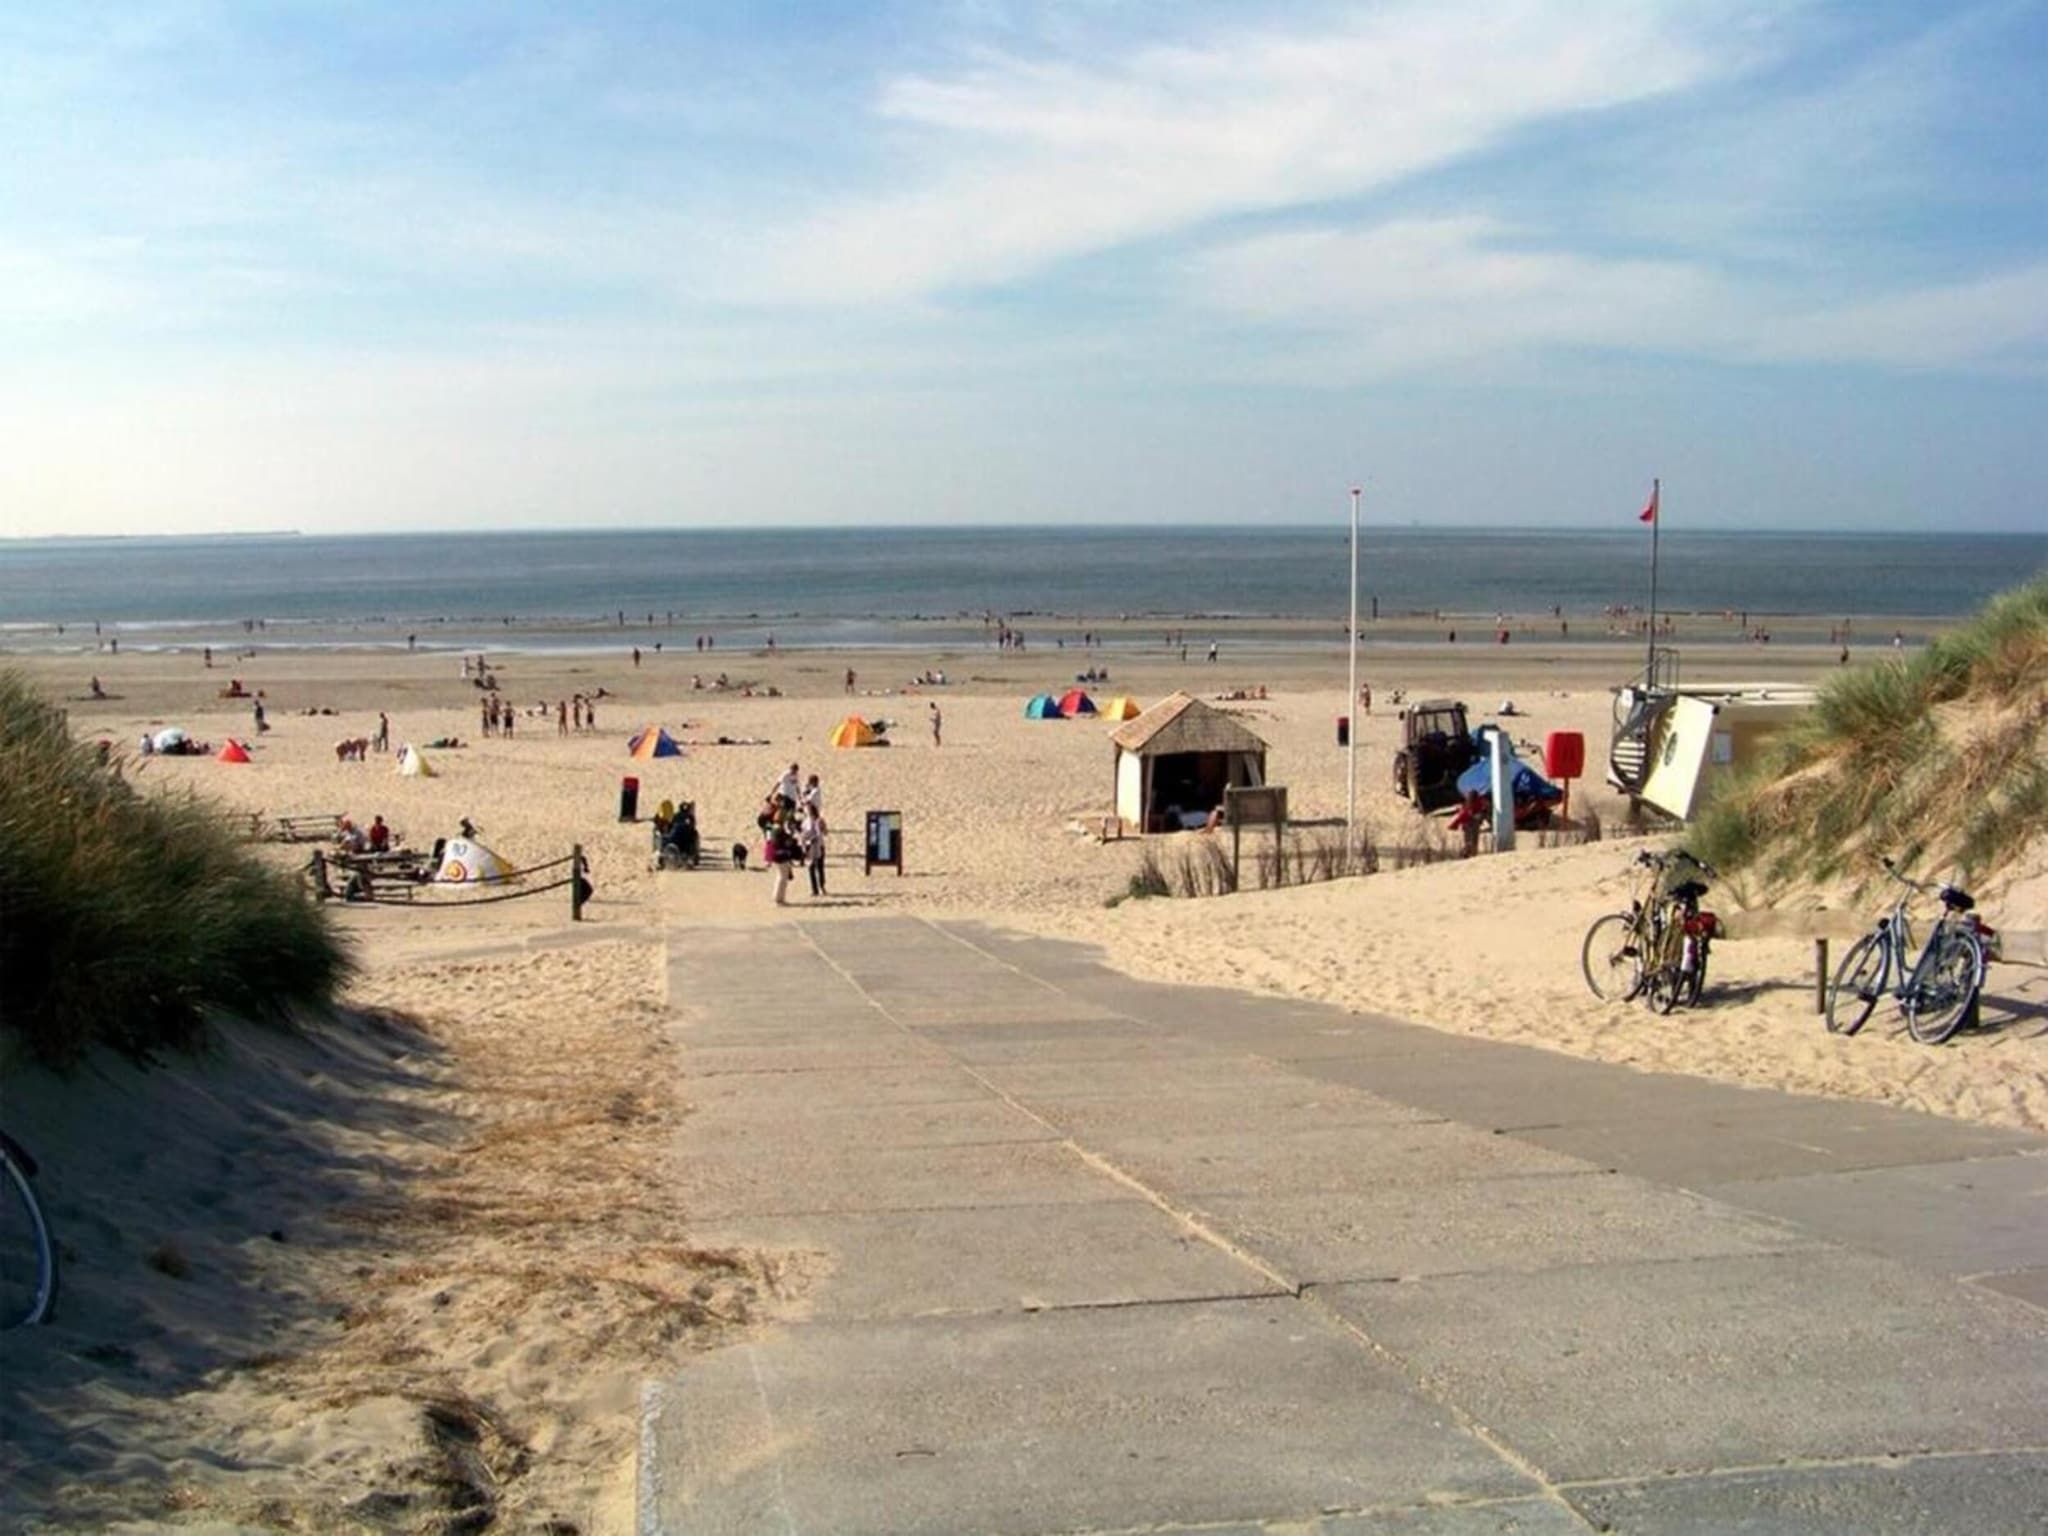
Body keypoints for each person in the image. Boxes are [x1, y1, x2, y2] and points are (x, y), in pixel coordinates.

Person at [802, 805, 828, 897]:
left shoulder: (819, 820)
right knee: (811, 868)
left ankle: (822, 886)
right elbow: (803, 834)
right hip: (810, 846)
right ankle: (814, 889)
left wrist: (822, 828)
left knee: (820, 867)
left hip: (819, 845)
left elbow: (825, 832)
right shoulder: (805, 821)